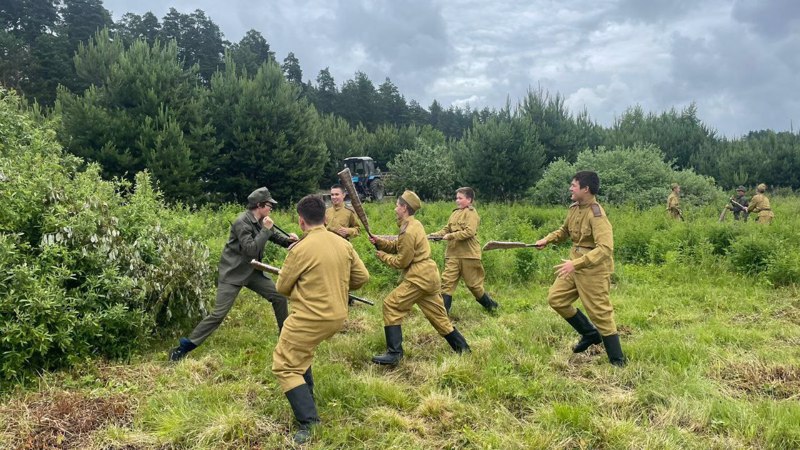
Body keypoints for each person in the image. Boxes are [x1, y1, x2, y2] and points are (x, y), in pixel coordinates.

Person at [272, 195, 369, 444]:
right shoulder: (343, 244)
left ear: (301, 222)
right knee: (300, 354)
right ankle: (308, 396)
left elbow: (282, 287)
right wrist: (337, 283)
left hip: (310, 318)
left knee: (284, 364)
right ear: (325, 219)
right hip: (337, 315)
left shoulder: (300, 249)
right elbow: (362, 277)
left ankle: (309, 422)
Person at [169, 187, 298, 361]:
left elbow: (275, 238)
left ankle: (286, 341)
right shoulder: (242, 222)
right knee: (218, 315)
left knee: (279, 296)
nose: (271, 208)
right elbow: (251, 249)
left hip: (252, 271)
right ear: (259, 205)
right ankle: (183, 348)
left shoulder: (260, 221)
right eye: (269, 205)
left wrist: (290, 241)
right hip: (233, 273)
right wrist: (266, 230)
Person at [534, 171, 626, 367]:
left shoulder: (597, 214)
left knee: (600, 313)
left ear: (586, 189)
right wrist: (547, 239)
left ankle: (618, 361)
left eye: (574, 185)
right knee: (556, 299)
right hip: (573, 265)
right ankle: (590, 333)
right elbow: (565, 231)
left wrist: (575, 264)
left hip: (593, 269)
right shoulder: (575, 208)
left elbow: (606, 248)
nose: (570, 188)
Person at [369, 190, 470, 365]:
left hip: (419, 277)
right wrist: (379, 242)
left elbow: (402, 260)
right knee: (440, 318)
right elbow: (398, 246)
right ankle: (464, 350)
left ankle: (394, 354)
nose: (395, 209)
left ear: (404, 208)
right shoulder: (415, 224)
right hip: (429, 276)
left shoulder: (408, 231)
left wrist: (382, 256)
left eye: (397, 205)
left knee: (391, 305)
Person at [429, 187, 497, 314]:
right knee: (446, 284)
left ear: (469, 199)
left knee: (474, 286)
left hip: (469, 255)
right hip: (453, 255)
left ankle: (491, 306)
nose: (457, 200)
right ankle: (443, 316)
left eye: (460, 198)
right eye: (457, 198)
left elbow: (469, 232)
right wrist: (435, 235)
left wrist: (450, 236)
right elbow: (446, 229)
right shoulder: (454, 213)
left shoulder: (471, 214)